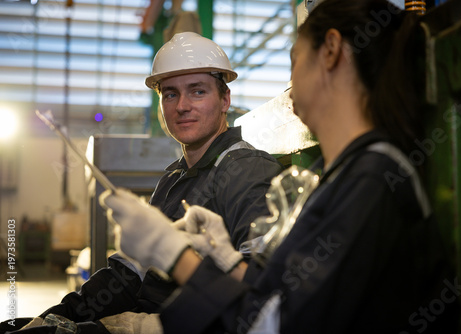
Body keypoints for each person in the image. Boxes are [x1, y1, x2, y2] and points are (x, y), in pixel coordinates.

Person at [97, 0, 461, 333]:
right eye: (170, 93)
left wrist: (171, 254)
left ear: (331, 52)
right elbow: (279, 298)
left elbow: (273, 324)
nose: (289, 84)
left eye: (294, 61)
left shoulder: (372, 180)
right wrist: (225, 259)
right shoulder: (348, 174)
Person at [2, 32, 283, 333]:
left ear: (225, 99)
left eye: (198, 92)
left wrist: (153, 326)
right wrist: (58, 315)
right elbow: (127, 275)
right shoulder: (172, 179)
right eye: (170, 94)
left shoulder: (247, 169)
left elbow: (260, 294)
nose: (182, 106)